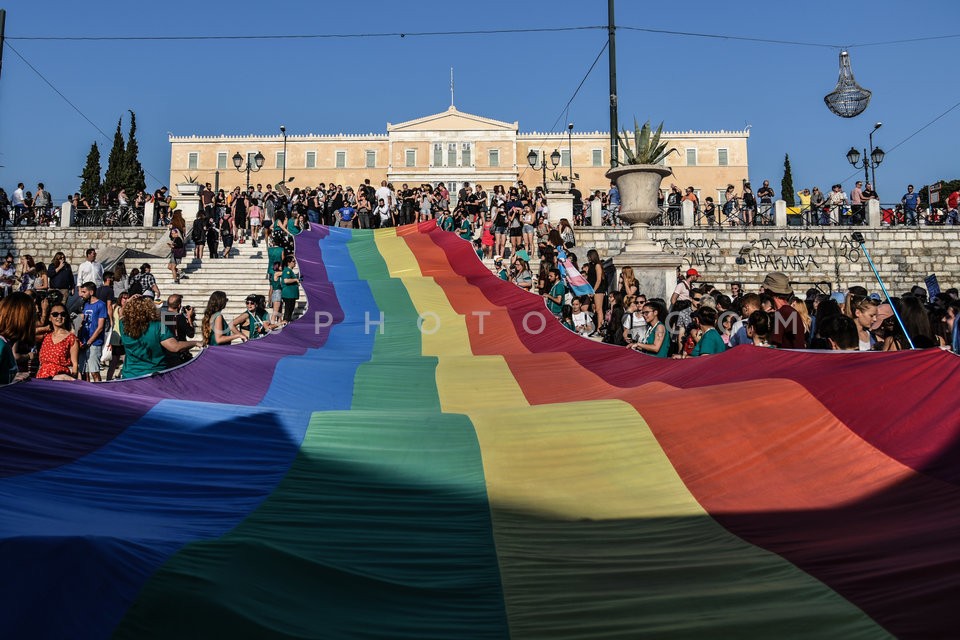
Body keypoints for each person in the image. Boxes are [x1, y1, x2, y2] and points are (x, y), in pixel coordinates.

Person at [118, 296, 198, 378]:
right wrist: (195, 342)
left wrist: (129, 300)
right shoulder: (157, 326)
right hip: (154, 375)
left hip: (130, 375)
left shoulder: (124, 325)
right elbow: (174, 347)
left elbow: (121, 312)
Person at [761, 272, 806, 349]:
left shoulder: (782, 313)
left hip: (788, 358)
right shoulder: (790, 311)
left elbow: (774, 346)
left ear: (769, 292)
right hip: (797, 357)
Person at [36, 302, 79, 380]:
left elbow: (75, 364)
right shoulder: (46, 336)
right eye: (55, 314)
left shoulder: (71, 338)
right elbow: (26, 333)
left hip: (61, 379)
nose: (59, 317)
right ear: (49, 317)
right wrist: (43, 328)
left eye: (63, 314)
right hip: (42, 377)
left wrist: (73, 381)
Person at [77, 281, 108, 381]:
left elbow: (100, 327)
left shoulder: (101, 305)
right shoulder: (85, 304)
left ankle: (99, 392)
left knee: (94, 371)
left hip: (94, 343)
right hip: (83, 340)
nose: (81, 294)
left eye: (84, 292)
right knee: (84, 372)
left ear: (91, 292)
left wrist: (89, 342)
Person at [161, 294, 196, 364]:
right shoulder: (180, 318)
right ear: (179, 305)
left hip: (165, 352)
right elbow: (191, 334)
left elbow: (162, 333)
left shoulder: (162, 317)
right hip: (179, 353)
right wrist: (189, 318)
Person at [280, 255, 301, 323]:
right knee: (288, 310)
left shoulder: (290, 271)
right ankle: (285, 323)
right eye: (293, 261)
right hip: (288, 294)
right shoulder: (287, 271)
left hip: (291, 295)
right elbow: (286, 280)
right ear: (289, 263)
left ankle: (287, 321)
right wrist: (295, 280)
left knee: (290, 310)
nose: (295, 263)